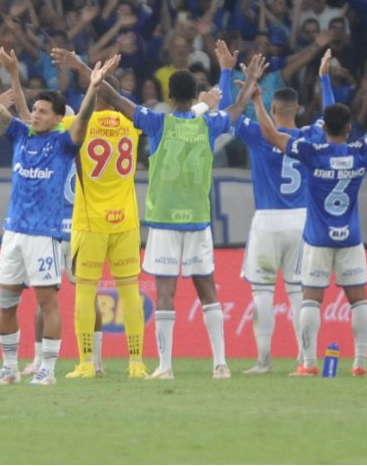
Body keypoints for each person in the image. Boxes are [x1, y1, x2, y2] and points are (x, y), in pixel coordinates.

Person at [0, 29, 116, 386]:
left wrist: (94, 87)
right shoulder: (21, 134)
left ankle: (47, 370)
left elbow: (83, 119)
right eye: (33, 110)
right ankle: (8, 368)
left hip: (45, 236)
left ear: (56, 118)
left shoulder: (64, 143)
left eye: (41, 112)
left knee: (48, 303)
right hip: (14, 233)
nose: (34, 115)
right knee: (5, 303)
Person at [98, 53, 266, 380]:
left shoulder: (158, 122)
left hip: (164, 220)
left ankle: (165, 366)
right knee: (208, 291)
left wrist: (89, 73)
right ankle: (220, 364)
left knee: (164, 293)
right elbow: (237, 108)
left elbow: (116, 98)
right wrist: (250, 82)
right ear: (194, 96)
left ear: (170, 97)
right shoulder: (210, 123)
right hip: (198, 219)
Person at [257, 59, 367, 377]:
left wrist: (256, 100)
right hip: (350, 237)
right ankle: (360, 363)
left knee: (311, 300)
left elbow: (270, 134)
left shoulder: (313, 151)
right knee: (359, 301)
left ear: (324, 127)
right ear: (349, 129)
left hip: (318, 238)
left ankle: (308, 364)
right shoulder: (361, 151)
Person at [225, 44, 336, 375]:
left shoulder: (259, 132)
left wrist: (243, 85)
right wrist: (325, 79)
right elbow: (332, 116)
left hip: (268, 223)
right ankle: (306, 360)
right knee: (299, 294)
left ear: (273, 106)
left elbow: (228, 116)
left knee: (262, 291)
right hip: (303, 223)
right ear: (298, 108)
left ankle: (264, 361)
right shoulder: (310, 136)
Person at [49, 48, 158, 380]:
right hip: (125, 220)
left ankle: (86, 362)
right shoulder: (132, 124)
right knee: (130, 291)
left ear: (94, 93)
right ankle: (136, 362)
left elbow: (39, 124)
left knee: (85, 292)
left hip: (91, 222)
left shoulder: (75, 123)